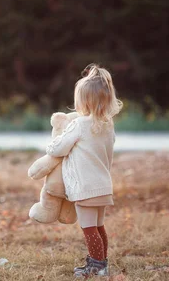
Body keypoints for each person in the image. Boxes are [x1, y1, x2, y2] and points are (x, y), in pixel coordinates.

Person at [45, 64, 122, 277]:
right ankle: (101, 263)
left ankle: (96, 265)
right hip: (103, 185)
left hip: (85, 187)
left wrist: (51, 144)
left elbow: (60, 148)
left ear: (83, 100)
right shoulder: (108, 125)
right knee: (99, 226)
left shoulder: (79, 124)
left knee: (88, 228)